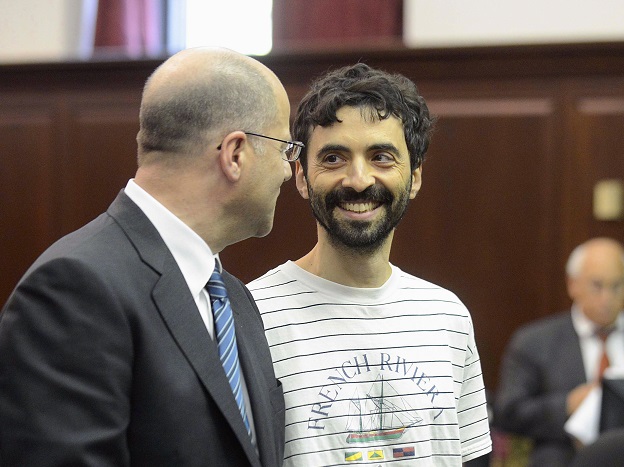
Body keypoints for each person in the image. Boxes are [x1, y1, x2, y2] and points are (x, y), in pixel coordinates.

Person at [0, 47, 296, 466]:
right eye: (285, 149)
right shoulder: (76, 289)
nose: (287, 170)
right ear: (235, 154)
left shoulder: (235, 298)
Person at [247, 63, 492, 465]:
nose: (358, 180)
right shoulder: (252, 316)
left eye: (381, 157)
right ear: (302, 177)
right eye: (333, 158)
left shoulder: (448, 316)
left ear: (414, 177)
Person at [493, 237, 624, 467]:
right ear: (573, 285)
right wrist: (568, 404)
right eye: (597, 285)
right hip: (564, 459)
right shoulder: (534, 342)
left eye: (617, 286)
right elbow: (508, 413)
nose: (607, 298)